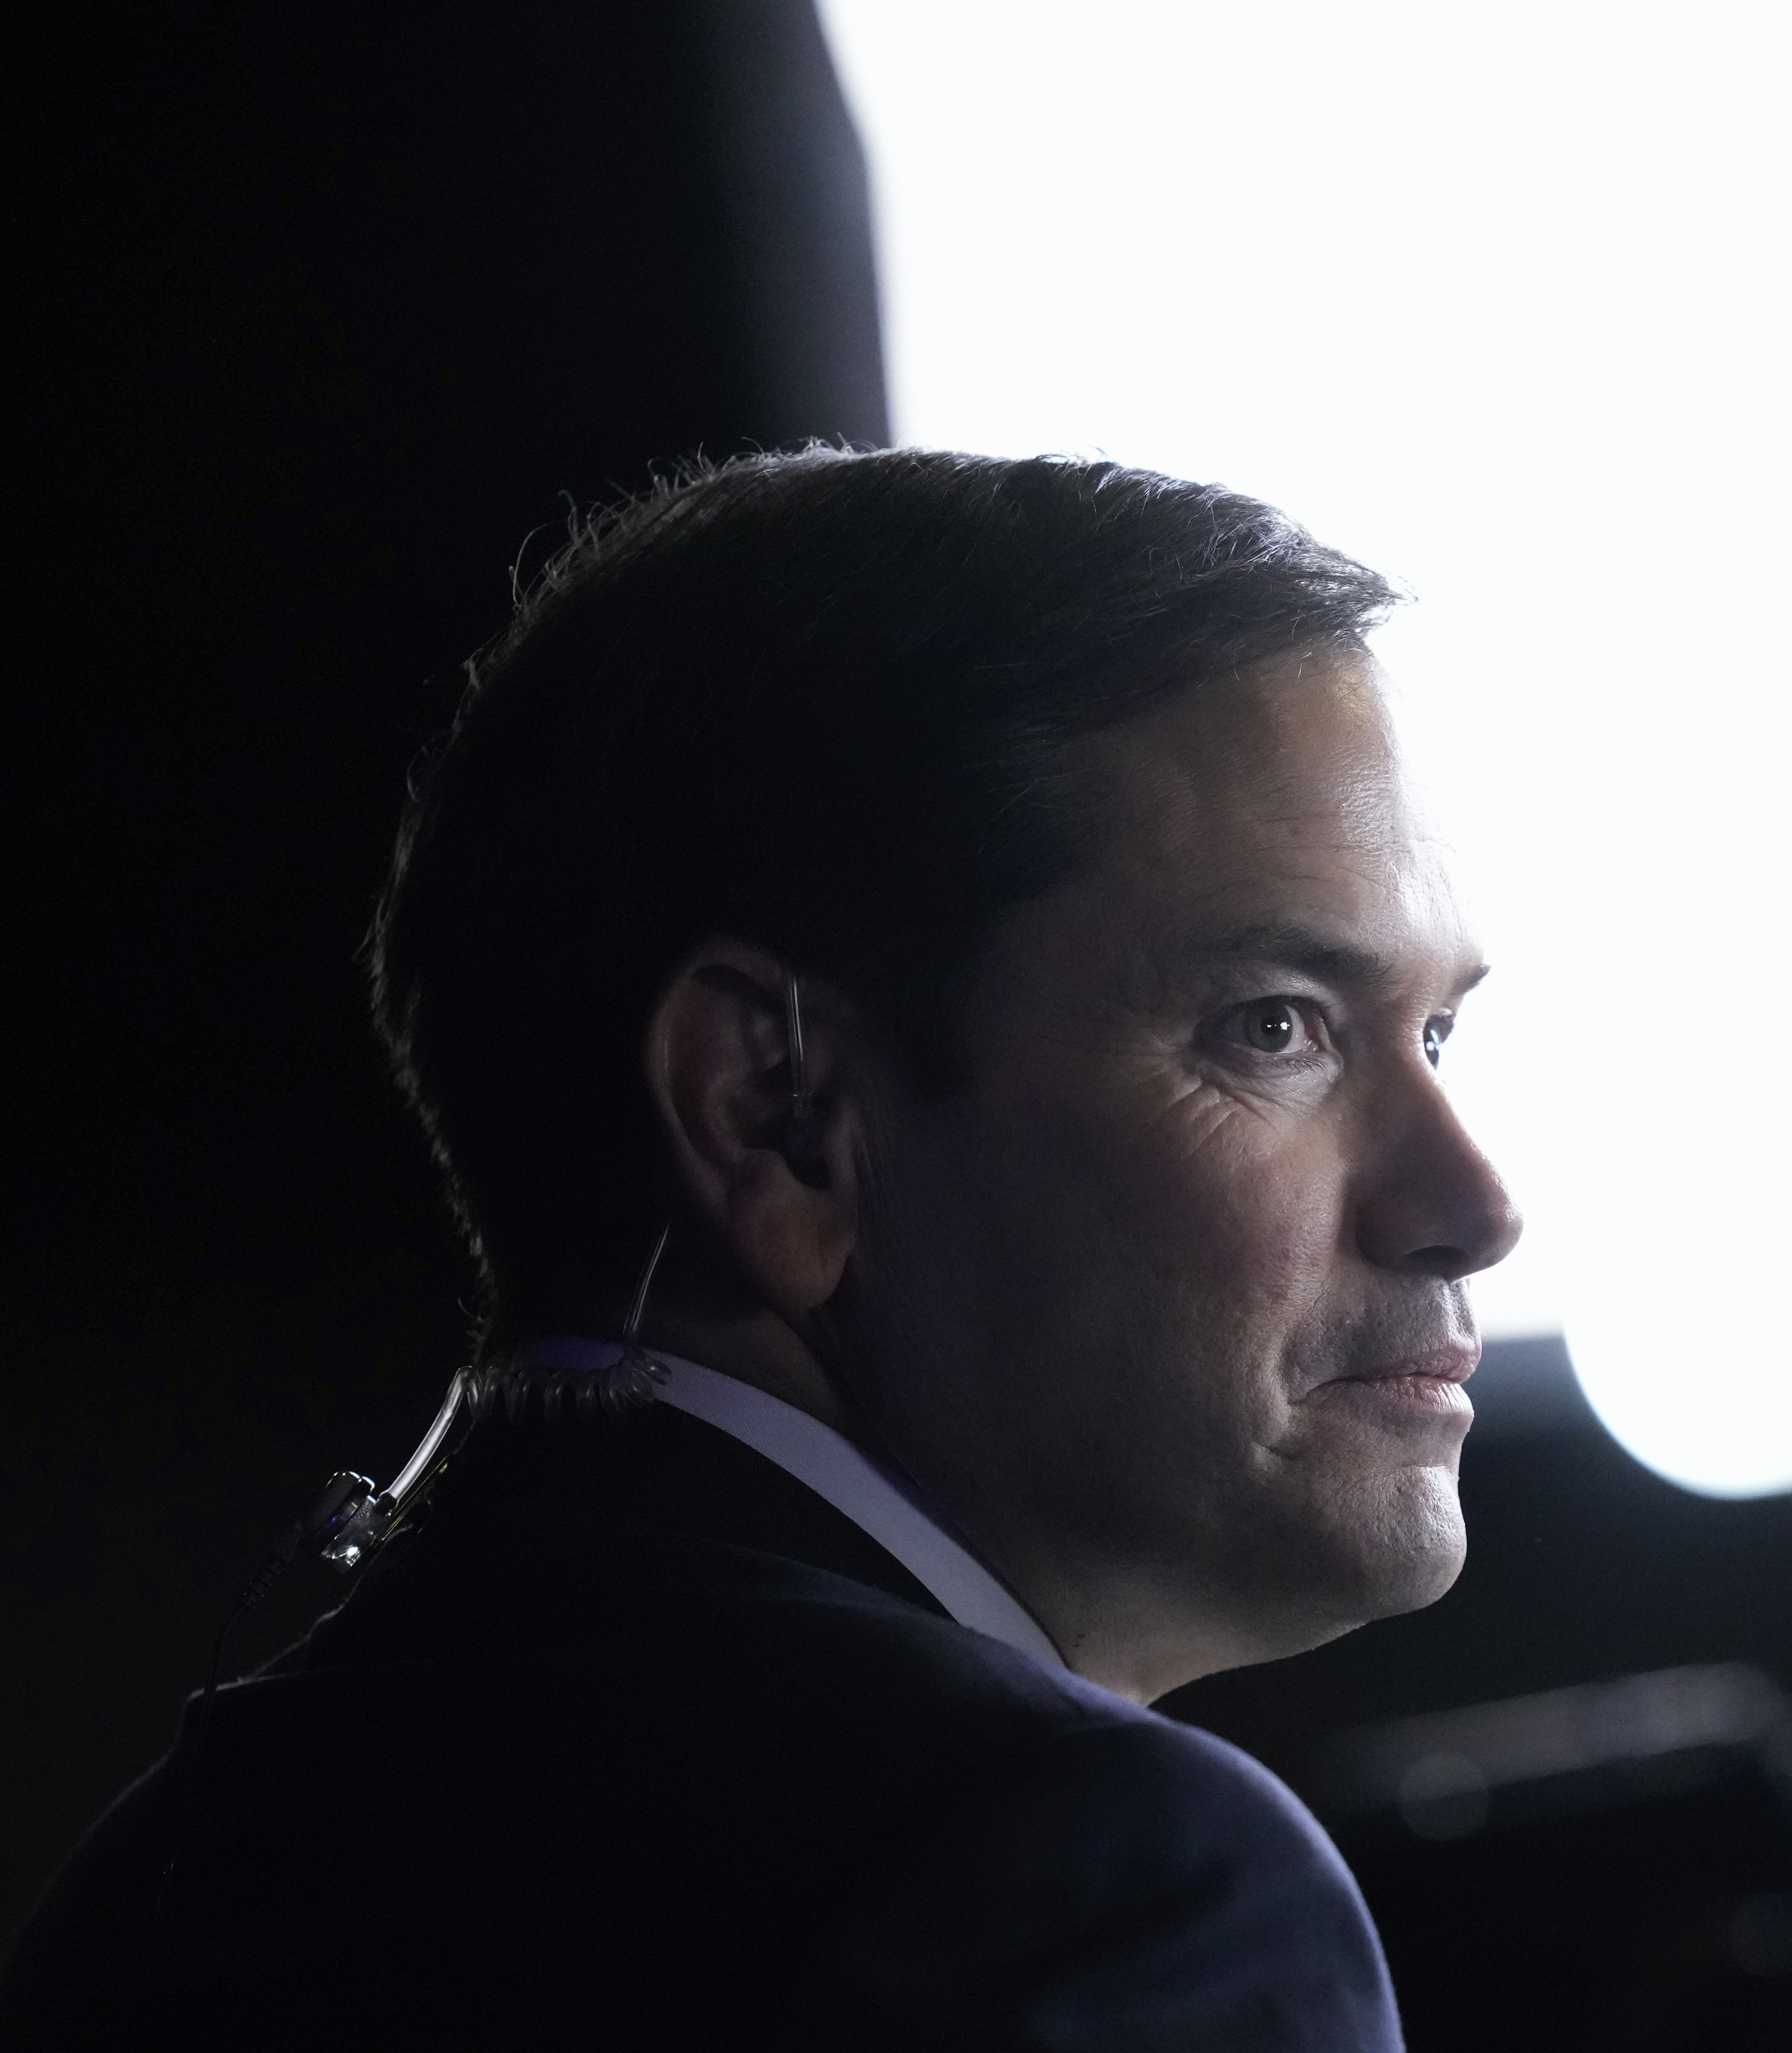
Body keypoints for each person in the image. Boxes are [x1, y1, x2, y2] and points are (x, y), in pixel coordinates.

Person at [0, 449, 1521, 2047]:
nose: (1474, 1200)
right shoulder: (1098, 1880)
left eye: (1435, 1030)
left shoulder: (159, 1877)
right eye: (1274, 1027)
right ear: (775, 1112)